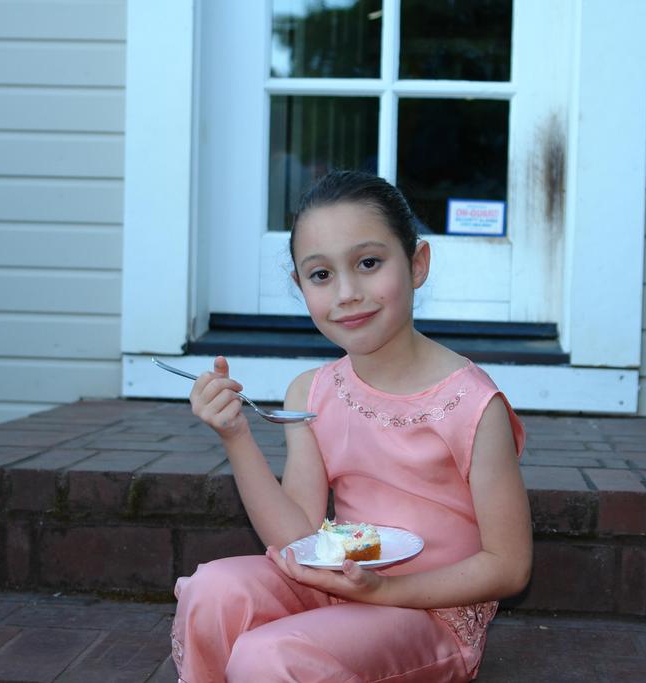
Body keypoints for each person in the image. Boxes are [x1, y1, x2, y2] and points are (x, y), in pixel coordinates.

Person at [171, 170, 532, 682]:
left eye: (368, 263)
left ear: (417, 264)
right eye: (321, 275)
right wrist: (236, 435)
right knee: (213, 591)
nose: (346, 293)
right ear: (300, 286)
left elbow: (509, 566)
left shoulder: (472, 403)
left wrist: (385, 591)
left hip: (429, 615)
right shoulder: (312, 392)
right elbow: (298, 536)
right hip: (338, 585)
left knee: (269, 657)